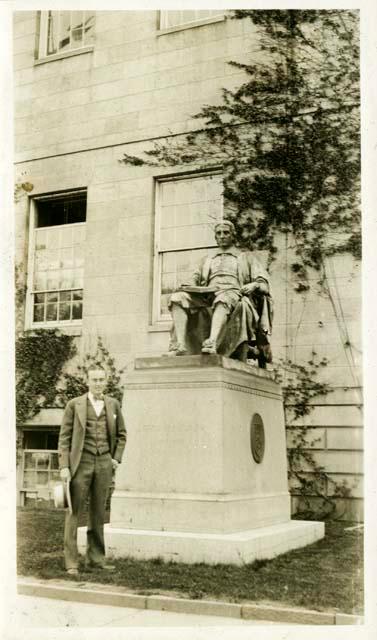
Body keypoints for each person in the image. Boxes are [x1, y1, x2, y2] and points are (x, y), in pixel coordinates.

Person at [168, 220, 273, 365]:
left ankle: (212, 342)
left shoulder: (246, 258)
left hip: (233, 293)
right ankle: (179, 345)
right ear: (215, 237)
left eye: (226, 233)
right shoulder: (207, 259)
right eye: (219, 233)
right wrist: (186, 286)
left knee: (222, 299)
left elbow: (264, 283)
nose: (222, 236)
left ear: (233, 235)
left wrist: (254, 285)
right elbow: (194, 278)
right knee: (177, 298)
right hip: (206, 295)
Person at [58, 364, 126, 575]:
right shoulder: (74, 405)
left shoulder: (113, 405)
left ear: (106, 381)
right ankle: (71, 562)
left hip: (104, 462)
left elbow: (122, 435)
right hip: (81, 462)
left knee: (98, 511)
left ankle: (96, 559)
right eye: (94, 380)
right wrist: (64, 467)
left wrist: (115, 459)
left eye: (101, 380)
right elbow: (64, 438)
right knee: (74, 511)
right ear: (87, 381)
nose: (98, 384)